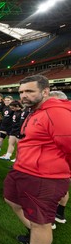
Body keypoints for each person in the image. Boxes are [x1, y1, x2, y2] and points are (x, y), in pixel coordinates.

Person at [3, 75, 71, 244]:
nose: (24, 95)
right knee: (12, 200)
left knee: (41, 223)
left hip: (44, 177)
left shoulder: (56, 112)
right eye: (21, 92)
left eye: (29, 91)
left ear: (45, 91)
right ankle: (33, 234)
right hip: (23, 170)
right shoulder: (36, 110)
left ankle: (37, 235)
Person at [48, 90, 69, 227]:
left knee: (52, 190)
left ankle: (49, 219)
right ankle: (59, 214)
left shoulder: (62, 116)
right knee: (63, 188)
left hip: (60, 161)